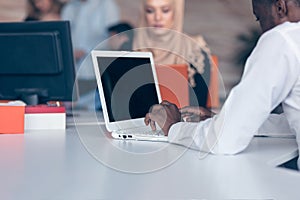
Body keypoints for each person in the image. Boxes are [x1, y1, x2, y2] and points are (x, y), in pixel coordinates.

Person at [145, 0, 300, 167]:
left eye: (259, 18)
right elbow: (290, 124)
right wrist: (224, 119)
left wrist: (174, 128)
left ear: (280, 7)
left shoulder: (283, 38)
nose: (262, 30)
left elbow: (225, 140)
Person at [133, 0, 212, 107]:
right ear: (143, 12)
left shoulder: (194, 50)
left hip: (183, 122)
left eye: (165, 10)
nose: (158, 17)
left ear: (177, 11)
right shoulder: (130, 47)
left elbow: (199, 107)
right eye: (150, 11)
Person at [61, 0, 120, 79]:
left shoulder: (106, 4)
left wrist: (86, 51)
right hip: (75, 73)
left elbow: (114, 38)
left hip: (99, 72)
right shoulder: (69, 7)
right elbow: (63, 37)